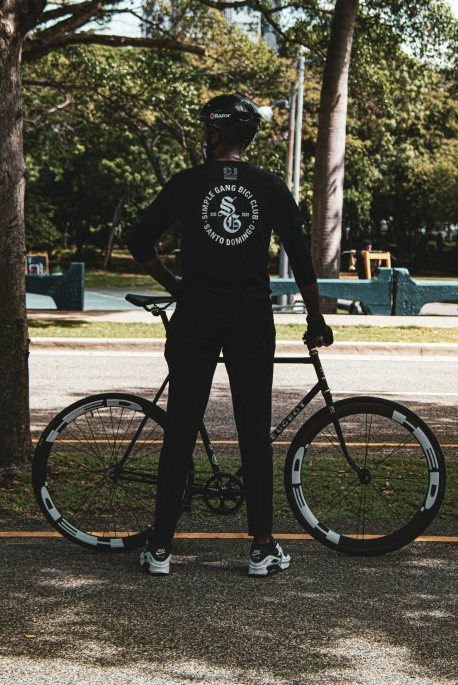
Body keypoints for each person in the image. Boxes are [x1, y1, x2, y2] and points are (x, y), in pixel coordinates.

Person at [127, 93, 333, 578]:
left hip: (195, 316)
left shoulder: (186, 184)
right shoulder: (269, 186)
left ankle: (160, 549)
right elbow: (301, 258)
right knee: (253, 430)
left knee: (180, 429)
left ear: (216, 133)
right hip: (250, 319)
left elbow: (140, 243)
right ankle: (261, 546)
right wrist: (315, 317)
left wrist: (175, 287)